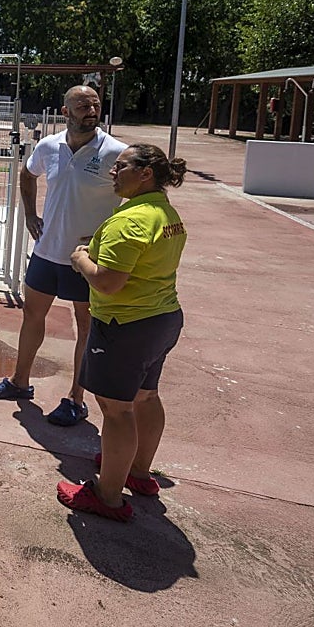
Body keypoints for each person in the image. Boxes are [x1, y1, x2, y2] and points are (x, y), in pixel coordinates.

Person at [56, 144, 188, 521]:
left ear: (146, 173)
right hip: (161, 318)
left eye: (122, 166)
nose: (113, 172)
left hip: (124, 326)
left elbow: (108, 283)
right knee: (146, 397)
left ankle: (108, 495)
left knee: (116, 411)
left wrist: (81, 258)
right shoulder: (166, 213)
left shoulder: (129, 222)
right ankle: (138, 472)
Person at [0, 86, 126, 427]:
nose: (90, 110)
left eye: (94, 104)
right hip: (47, 251)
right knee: (33, 315)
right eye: (82, 105)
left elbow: (137, 195)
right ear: (65, 111)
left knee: (86, 326)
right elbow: (27, 174)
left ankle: (76, 398)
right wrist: (30, 215)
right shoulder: (49, 147)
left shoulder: (115, 152)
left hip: (88, 258)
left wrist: (114, 236)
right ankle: (20, 382)